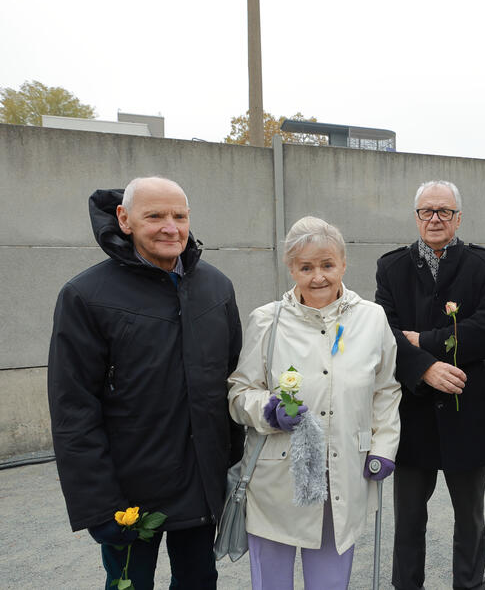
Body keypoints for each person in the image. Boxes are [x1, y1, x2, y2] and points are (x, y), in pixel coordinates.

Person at [48, 176, 243, 588]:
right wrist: (99, 505)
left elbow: (231, 384)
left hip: (201, 483)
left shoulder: (216, 288)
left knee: (199, 581)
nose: (169, 227)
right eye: (154, 215)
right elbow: (73, 409)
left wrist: (236, 470)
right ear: (124, 219)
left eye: (179, 216)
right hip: (128, 494)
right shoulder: (85, 296)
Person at [228, 216, 401, 589]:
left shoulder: (372, 318)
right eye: (305, 267)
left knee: (329, 583)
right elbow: (240, 392)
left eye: (327, 265)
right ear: (291, 268)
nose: (318, 276)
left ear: (343, 263)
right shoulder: (266, 321)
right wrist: (268, 410)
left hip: (343, 476)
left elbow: (385, 390)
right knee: (271, 582)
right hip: (277, 482)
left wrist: (385, 445)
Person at [374, 180, 485, 590]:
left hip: (468, 409)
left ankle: (469, 585)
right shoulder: (392, 267)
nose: (434, 219)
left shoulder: (483, 264)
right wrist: (426, 368)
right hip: (413, 412)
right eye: (426, 211)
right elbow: (383, 332)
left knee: (470, 517)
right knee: (409, 517)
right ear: (416, 217)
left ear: (458, 217)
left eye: (443, 211)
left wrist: (426, 342)